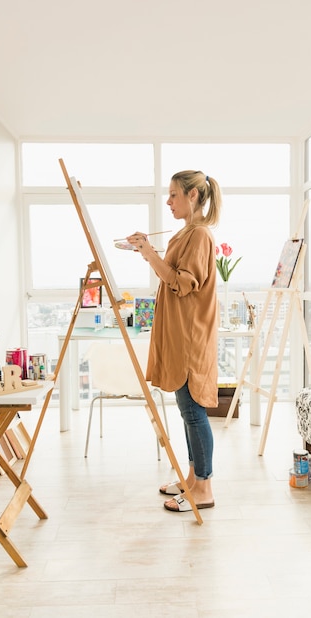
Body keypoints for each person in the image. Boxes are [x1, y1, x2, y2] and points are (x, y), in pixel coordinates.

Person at [126, 170, 222, 512]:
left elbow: (182, 283)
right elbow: (173, 278)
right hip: (182, 333)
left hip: (190, 337)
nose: (168, 202)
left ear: (192, 196)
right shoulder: (186, 234)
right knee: (187, 411)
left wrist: (150, 253)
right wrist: (148, 252)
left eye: (173, 195)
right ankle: (193, 479)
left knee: (193, 411)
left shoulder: (199, 236)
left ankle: (205, 488)